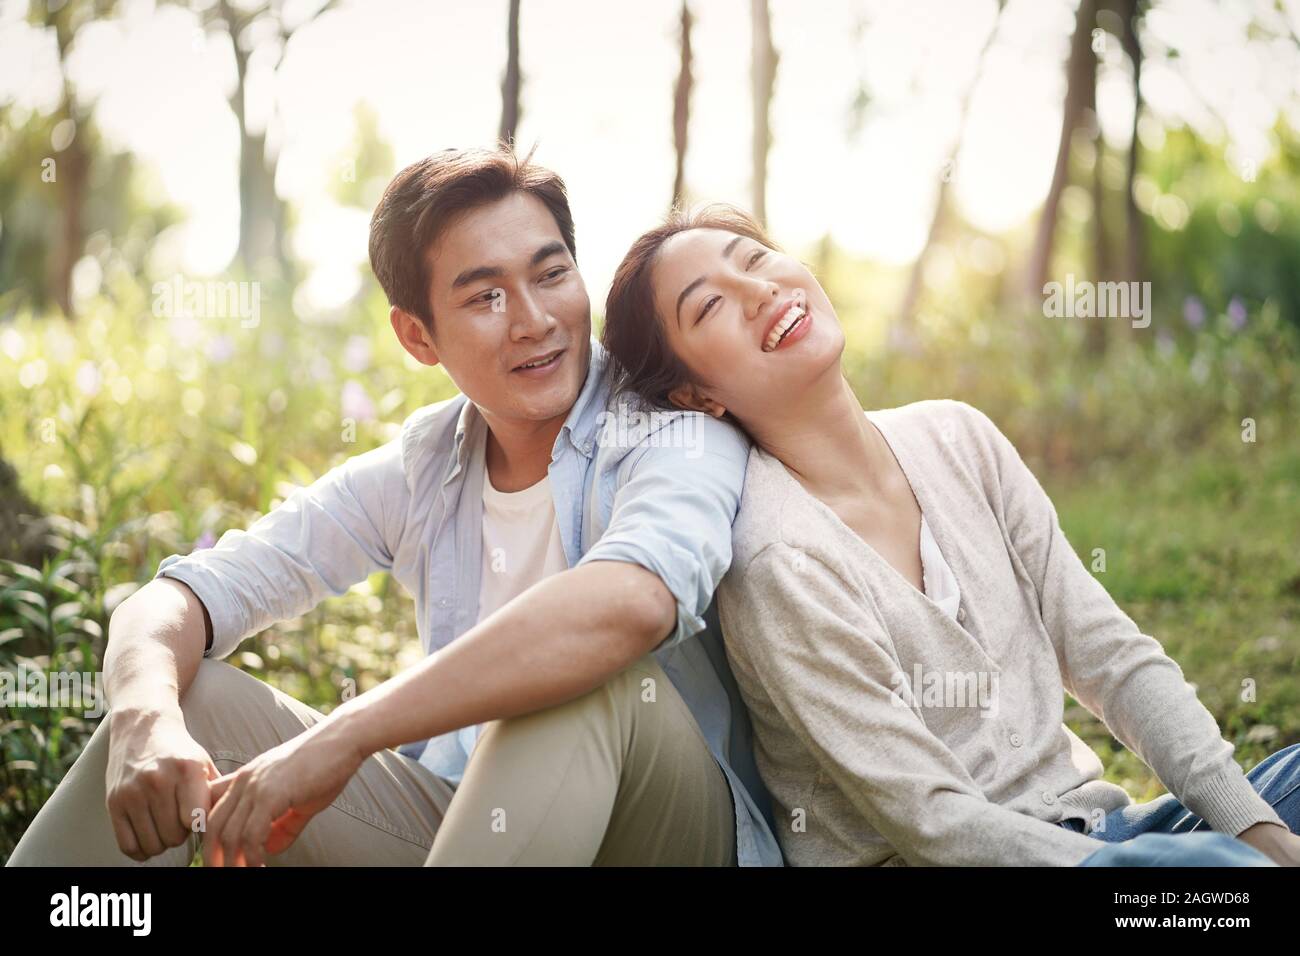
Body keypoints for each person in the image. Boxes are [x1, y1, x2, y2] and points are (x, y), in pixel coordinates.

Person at [7, 149, 783, 868]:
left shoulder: (674, 430)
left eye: (551, 275)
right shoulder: (426, 467)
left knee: (582, 677)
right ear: (418, 336)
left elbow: (632, 604)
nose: (534, 319)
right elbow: (188, 594)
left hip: (664, 833)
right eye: (485, 295)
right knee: (195, 695)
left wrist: (342, 738)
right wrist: (145, 715)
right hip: (473, 827)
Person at [598, 202, 1300, 867]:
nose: (757, 289)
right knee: (1217, 882)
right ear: (695, 396)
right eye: (711, 304)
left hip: (1100, 834)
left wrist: (1253, 828)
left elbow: (1108, 654)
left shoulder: (958, 436)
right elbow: (937, 825)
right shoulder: (779, 558)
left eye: (754, 257)